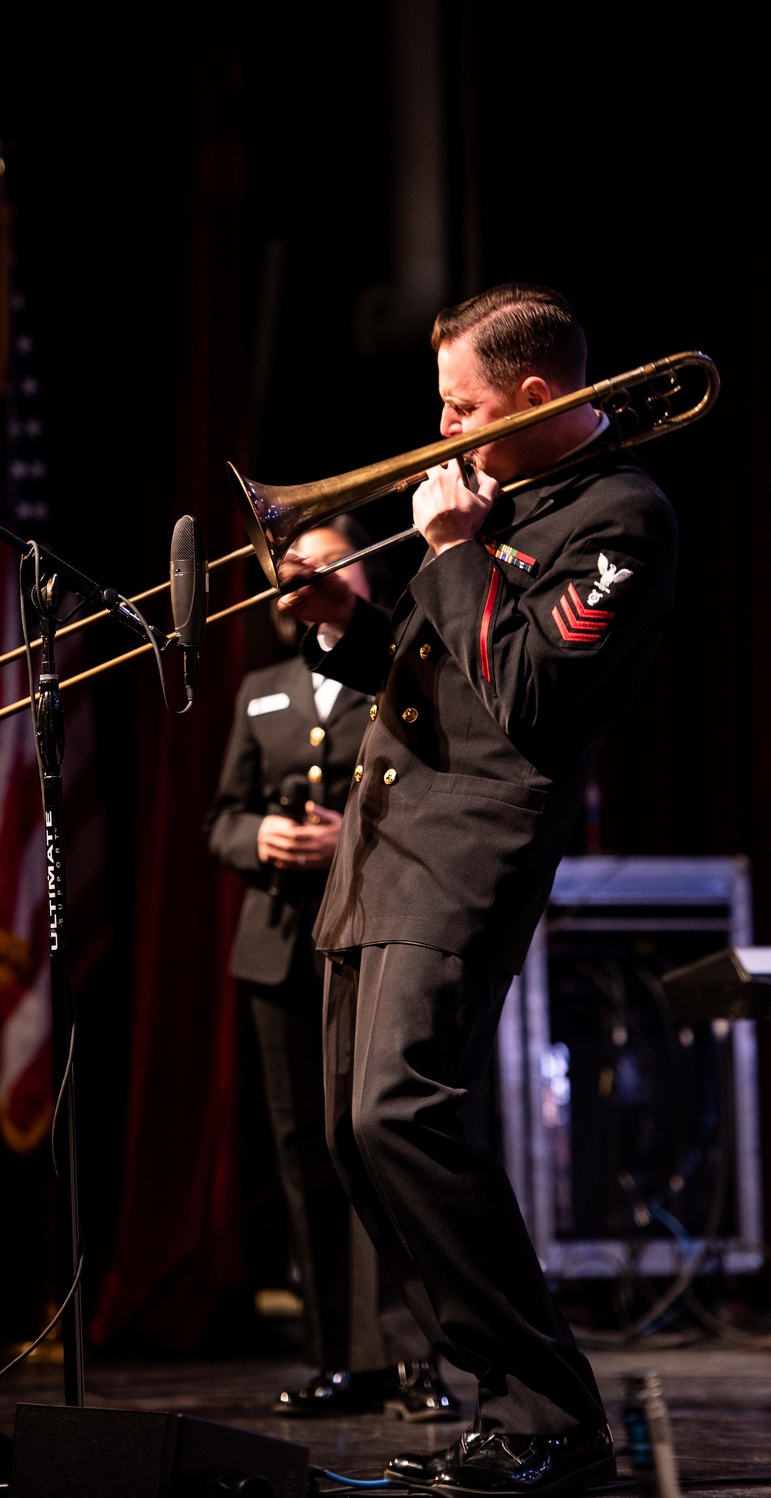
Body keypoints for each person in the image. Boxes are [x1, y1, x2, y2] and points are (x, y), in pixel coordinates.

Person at [276, 284, 677, 1490]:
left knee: (402, 1115)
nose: (441, 429)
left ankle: (553, 1412)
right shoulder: (509, 500)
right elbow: (444, 663)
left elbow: (531, 691)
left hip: (465, 855)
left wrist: (454, 550)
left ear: (537, 397)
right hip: (382, 848)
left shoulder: (622, 515)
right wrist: (350, 625)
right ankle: (502, 1398)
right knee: (361, 1140)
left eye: (461, 409)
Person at [207, 518, 460, 1421]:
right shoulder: (261, 689)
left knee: (377, 1143)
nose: (298, 576)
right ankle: (337, 1359)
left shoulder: (391, 661)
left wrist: (342, 836)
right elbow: (221, 818)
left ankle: (416, 1358)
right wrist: (259, 837)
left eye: (319, 561)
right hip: (275, 943)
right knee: (304, 1157)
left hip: (366, 927)